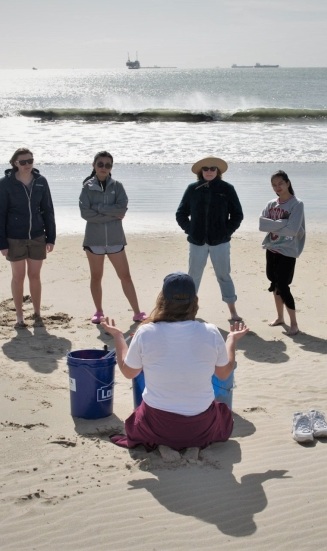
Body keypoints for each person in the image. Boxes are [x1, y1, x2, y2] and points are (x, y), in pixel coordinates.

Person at [102, 272, 249, 462]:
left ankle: (163, 445)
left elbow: (129, 372)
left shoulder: (146, 332)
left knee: (140, 418)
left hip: (158, 424)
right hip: (200, 426)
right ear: (194, 300)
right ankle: (193, 445)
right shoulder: (211, 332)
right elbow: (223, 374)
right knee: (223, 414)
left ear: (162, 299)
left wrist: (118, 336)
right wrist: (231, 340)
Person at [78, 151, 145, 324]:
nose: (104, 168)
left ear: (111, 168)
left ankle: (137, 312)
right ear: (94, 165)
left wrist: (98, 208)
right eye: (100, 164)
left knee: (126, 276)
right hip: (94, 241)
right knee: (96, 276)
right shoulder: (87, 187)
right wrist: (111, 213)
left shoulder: (118, 186)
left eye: (108, 165)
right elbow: (86, 214)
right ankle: (99, 312)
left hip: (116, 240)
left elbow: (122, 210)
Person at [0, 147, 56, 327]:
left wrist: (51, 238)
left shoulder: (41, 182)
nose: (27, 164)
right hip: (14, 238)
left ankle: (37, 313)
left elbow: (48, 211)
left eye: (30, 161)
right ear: (15, 163)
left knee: (35, 276)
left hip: (37, 236)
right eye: (23, 162)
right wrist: (1, 243)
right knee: (18, 276)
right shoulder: (4, 184)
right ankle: (19, 315)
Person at [175, 157, 244, 321]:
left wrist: (226, 232)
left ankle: (233, 311)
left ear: (218, 171)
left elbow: (237, 215)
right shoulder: (192, 189)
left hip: (220, 242)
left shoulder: (227, 189)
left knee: (224, 276)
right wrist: (190, 230)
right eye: (205, 168)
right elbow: (181, 213)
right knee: (193, 277)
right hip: (196, 242)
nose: (209, 171)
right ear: (201, 172)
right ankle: (188, 311)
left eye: (213, 168)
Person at [259, 170, 305, 335]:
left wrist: (274, 224)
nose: (277, 187)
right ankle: (280, 318)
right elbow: (262, 225)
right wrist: (283, 222)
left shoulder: (297, 204)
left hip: (288, 250)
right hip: (271, 248)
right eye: (274, 185)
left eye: (280, 183)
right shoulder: (271, 204)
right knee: (274, 284)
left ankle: (294, 324)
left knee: (284, 286)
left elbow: (292, 230)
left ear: (288, 183)